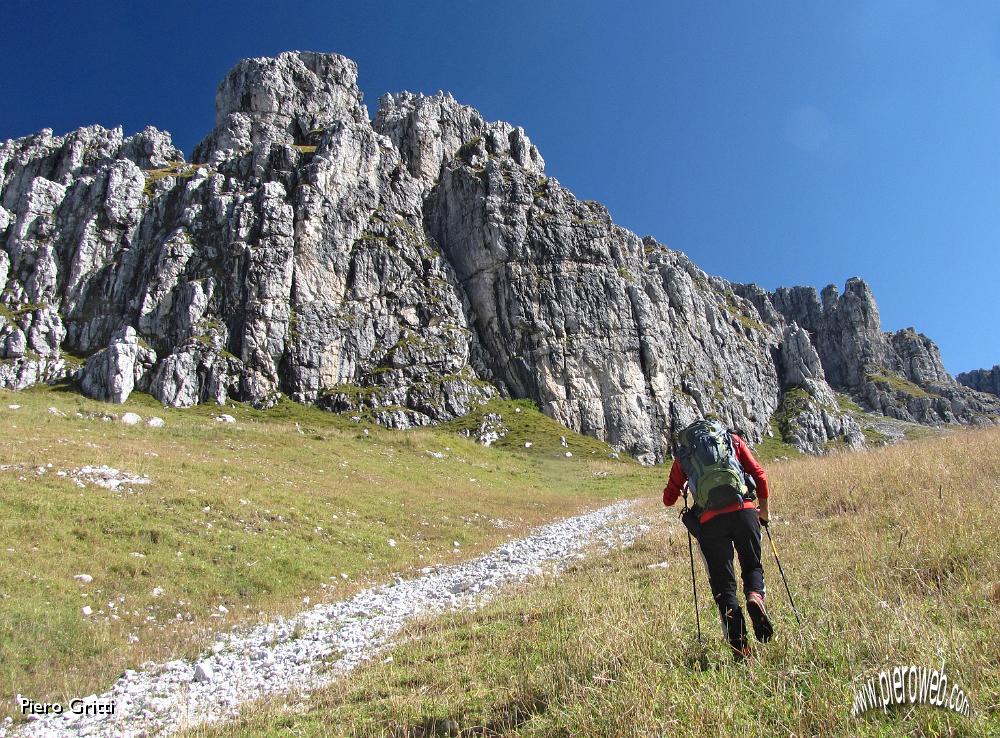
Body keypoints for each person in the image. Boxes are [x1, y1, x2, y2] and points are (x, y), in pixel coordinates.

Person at [663, 420, 773, 661]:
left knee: (724, 588)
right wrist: (763, 512)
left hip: (710, 522)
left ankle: (742, 651)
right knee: (752, 567)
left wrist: (684, 484)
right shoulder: (732, 440)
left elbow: (668, 500)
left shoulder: (685, 455)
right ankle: (755, 596)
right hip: (744, 511)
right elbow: (760, 476)